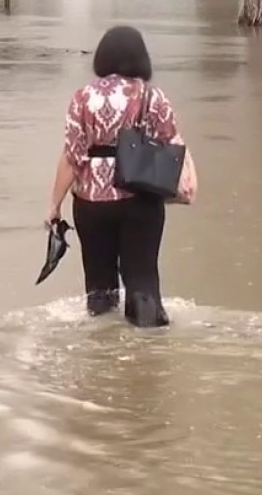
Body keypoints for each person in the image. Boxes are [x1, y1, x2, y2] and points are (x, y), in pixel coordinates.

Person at [46, 25, 197, 328]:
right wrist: (186, 187)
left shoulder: (82, 98)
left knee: (99, 285)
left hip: (91, 203)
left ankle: (103, 347)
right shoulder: (153, 97)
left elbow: (72, 156)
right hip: (140, 197)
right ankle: (148, 346)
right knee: (142, 278)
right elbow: (174, 146)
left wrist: (54, 206)